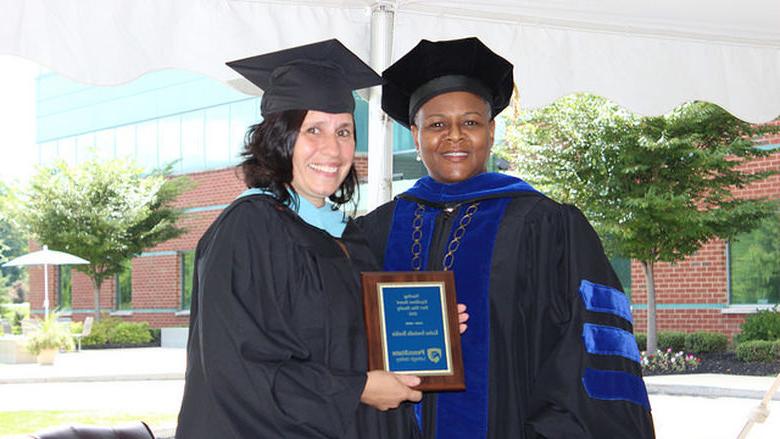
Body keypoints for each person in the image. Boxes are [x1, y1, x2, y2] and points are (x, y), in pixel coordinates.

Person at [346, 37, 655, 438]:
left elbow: (586, 353)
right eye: (437, 124)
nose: (454, 136)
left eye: (471, 122)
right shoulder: (376, 231)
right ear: (415, 133)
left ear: (491, 131)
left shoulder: (546, 226)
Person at [176, 39, 424, 438]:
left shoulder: (347, 235)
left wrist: (424, 323)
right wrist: (357, 388)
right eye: (313, 130)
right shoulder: (248, 230)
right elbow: (239, 369)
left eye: (344, 130)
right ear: (279, 137)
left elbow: (352, 341)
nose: (333, 148)